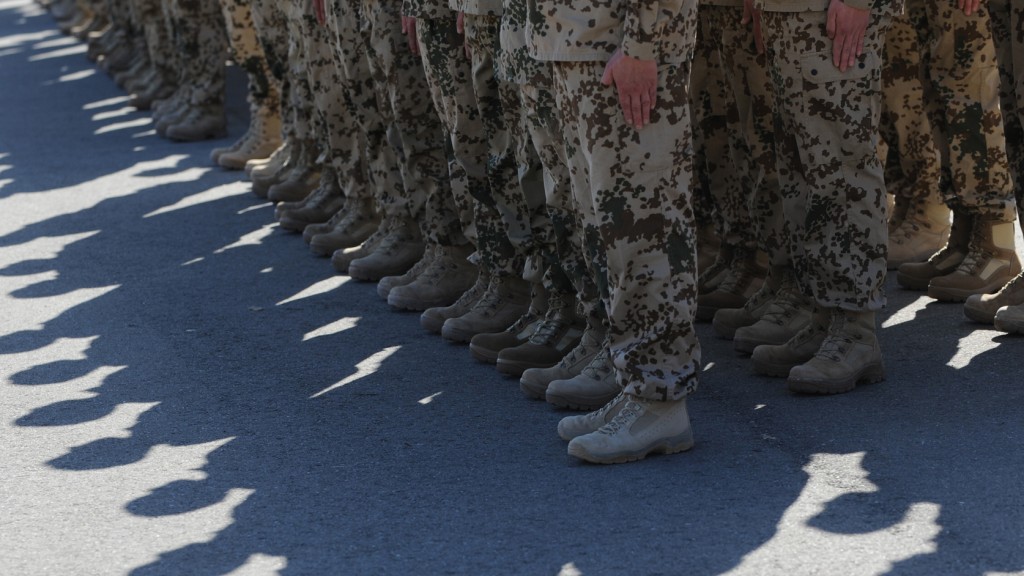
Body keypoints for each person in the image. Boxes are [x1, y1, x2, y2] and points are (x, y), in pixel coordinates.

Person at [529, 0, 701, 463]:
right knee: (607, 233)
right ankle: (636, 387)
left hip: (623, 43)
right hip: (580, 42)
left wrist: (643, 43)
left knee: (644, 227)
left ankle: (659, 396)